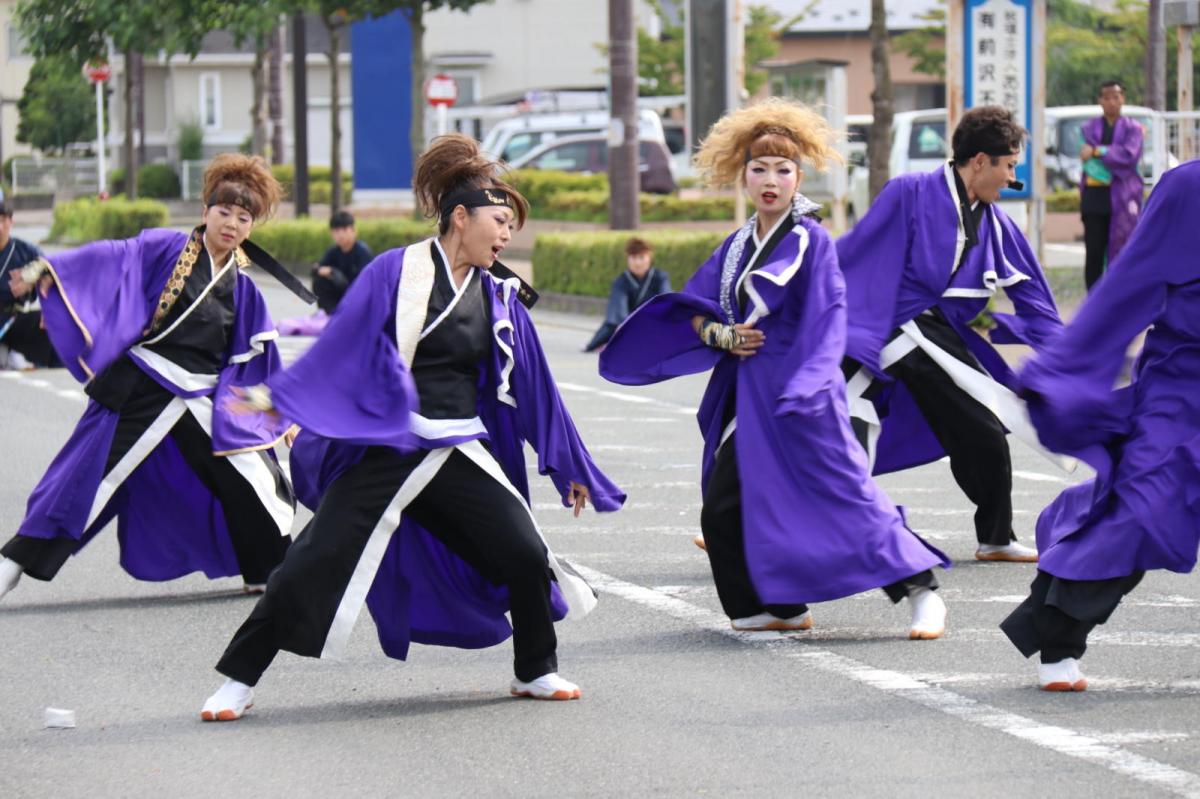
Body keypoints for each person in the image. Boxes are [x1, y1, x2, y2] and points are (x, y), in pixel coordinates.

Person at [200, 134, 625, 721]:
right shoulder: (394, 272)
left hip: (455, 448)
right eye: (498, 221)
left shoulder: (498, 297)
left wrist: (569, 466)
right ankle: (238, 680)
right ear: (460, 217)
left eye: (510, 227)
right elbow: (341, 347)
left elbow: (535, 389)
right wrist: (277, 398)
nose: (506, 236)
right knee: (313, 559)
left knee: (525, 552)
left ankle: (535, 668)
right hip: (390, 446)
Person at [599, 98, 949, 638]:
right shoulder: (738, 246)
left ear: (798, 177)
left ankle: (922, 590)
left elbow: (830, 318)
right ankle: (777, 608)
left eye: (782, 170)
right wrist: (720, 334)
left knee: (844, 498)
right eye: (759, 168)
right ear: (743, 176)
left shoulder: (812, 240)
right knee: (722, 511)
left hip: (805, 394)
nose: (770, 180)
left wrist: (811, 381)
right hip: (751, 397)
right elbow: (694, 309)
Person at [0, 154, 305, 603]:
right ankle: (12, 564)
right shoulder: (167, 249)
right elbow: (111, 257)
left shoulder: (243, 288)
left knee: (252, 475)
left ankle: (267, 569)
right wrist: (47, 269)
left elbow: (259, 360)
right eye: (224, 212)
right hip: (144, 384)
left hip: (202, 397)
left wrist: (278, 412)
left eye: (243, 218)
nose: (232, 224)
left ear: (251, 227)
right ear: (205, 212)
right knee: (84, 478)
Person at [1000, 161, 1200, 691]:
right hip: (1185, 387)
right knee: (1146, 505)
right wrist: (1062, 369)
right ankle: (1059, 633)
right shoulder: (1189, 188)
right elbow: (1128, 287)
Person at [836, 105, 1064, 564]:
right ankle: (742, 521)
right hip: (881, 330)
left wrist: (1073, 359)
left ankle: (996, 536)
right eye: (1009, 164)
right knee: (808, 417)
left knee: (981, 428)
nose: (1012, 176)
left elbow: (1034, 300)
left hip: (931, 337)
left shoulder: (997, 226)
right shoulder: (909, 193)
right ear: (980, 161)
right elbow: (854, 255)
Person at [1079, 80, 1144, 290]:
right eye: (1107, 97)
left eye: (1116, 96)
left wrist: (1098, 152)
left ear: (1122, 98)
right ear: (1100, 101)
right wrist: (1112, 156)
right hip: (1094, 198)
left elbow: (1129, 156)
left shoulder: (1133, 128)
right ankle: (1093, 304)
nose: (1112, 101)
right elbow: (1085, 159)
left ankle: (1119, 301)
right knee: (1094, 252)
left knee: (1122, 250)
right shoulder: (1088, 128)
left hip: (1123, 198)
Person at [583, 237, 671, 352]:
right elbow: (618, 308)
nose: (638, 263)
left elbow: (666, 299)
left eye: (642, 257)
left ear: (649, 258)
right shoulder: (621, 281)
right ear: (628, 259)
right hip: (626, 325)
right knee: (606, 332)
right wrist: (623, 324)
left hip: (653, 321)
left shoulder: (660, 277)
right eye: (634, 258)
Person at [0, 197, 58, 369]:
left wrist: (32, 279)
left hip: (15, 320)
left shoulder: (26, 251)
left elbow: (52, 269)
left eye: (3, 220)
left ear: (11, 222)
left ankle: (42, 364)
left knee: (51, 319)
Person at [313, 210, 373, 314]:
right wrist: (321, 270)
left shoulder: (363, 252)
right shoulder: (333, 252)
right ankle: (329, 315)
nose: (340, 234)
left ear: (353, 231)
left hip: (358, 298)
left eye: (344, 229)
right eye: (336, 230)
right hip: (339, 296)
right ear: (331, 233)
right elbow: (316, 269)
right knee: (320, 281)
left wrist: (333, 272)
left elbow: (365, 283)